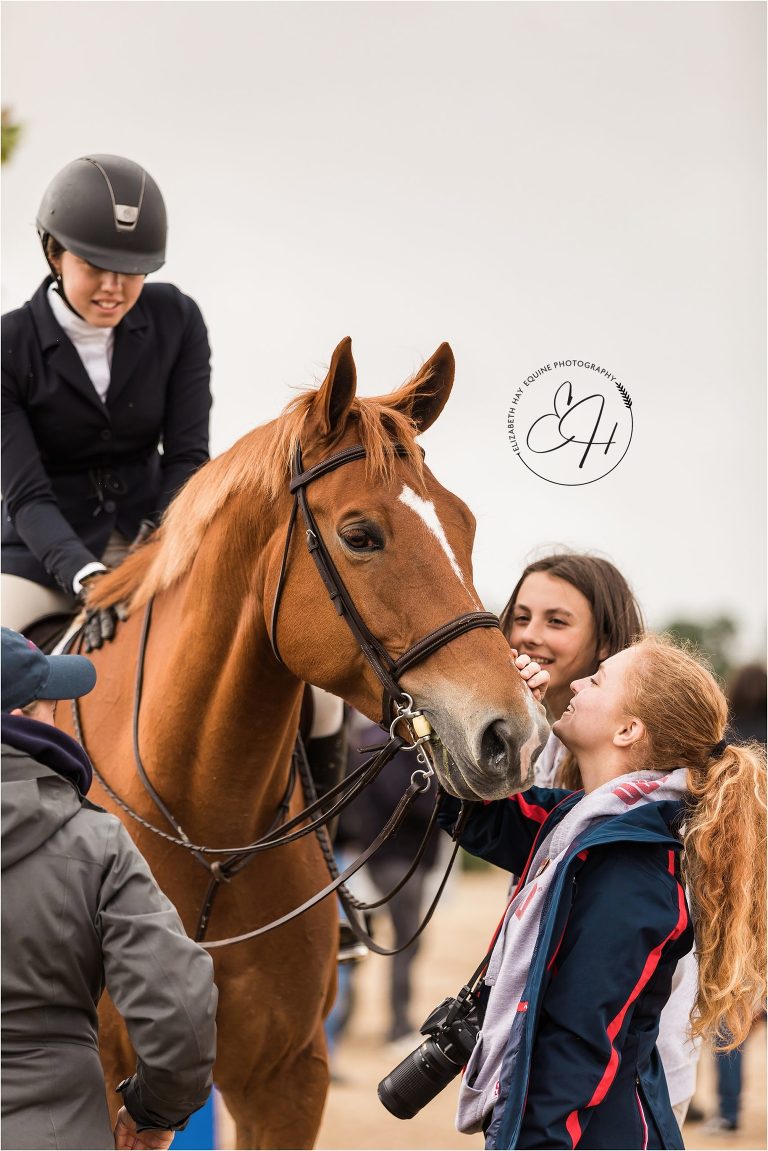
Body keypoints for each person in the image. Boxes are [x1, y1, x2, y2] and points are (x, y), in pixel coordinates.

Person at [438, 635, 766, 1150]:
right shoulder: (582, 823)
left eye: (598, 679)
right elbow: (483, 814)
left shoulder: (631, 870)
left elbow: (578, 1047)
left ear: (628, 729)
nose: (575, 681)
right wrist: (503, 701)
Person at [500, 551, 700, 1125]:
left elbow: (593, 1017)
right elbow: (493, 817)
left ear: (604, 643)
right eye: (521, 616)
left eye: (556, 622)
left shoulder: (636, 814)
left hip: (624, 1068)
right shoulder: (545, 735)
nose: (529, 637)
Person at [1, 627, 218, 1149]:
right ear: (23, 715)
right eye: (51, 703)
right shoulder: (96, 839)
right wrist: (153, 1112)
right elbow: (179, 1014)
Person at [1, 154, 212, 647]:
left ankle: (330, 728)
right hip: (43, 559)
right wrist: (88, 576)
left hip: (157, 542)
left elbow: (188, 457)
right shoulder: (9, 346)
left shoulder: (177, 320)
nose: (114, 288)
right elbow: (27, 495)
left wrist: (155, 546)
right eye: (95, 266)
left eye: (132, 270)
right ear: (55, 255)